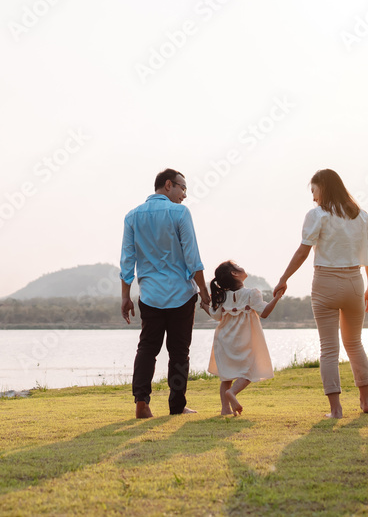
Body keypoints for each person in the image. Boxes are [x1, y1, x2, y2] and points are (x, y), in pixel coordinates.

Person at [273, 169, 368, 419]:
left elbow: (302, 252)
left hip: (325, 283)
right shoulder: (362, 216)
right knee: (354, 344)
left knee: (329, 349)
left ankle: (336, 410)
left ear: (323, 188)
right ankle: (366, 402)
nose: (313, 198)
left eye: (314, 191)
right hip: (355, 282)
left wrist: (284, 278)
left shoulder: (317, 215)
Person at [120, 168, 210, 418]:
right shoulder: (180, 213)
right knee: (179, 352)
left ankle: (141, 401)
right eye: (183, 188)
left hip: (149, 295)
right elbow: (192, 257)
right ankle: (177, 406)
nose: (184, 195)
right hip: (181, 294)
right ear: (168, 185)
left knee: (147, 348)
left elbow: (127, 260)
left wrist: (125, 296)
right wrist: (203, 291)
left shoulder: (132, 216)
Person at [202, 260, 280, 416]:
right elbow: (264, 312)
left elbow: (216, 316)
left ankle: (225, 409)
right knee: (249, 371)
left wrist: (205, 305)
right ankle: (232, 393)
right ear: (234, 273)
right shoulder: (252, 293)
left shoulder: (222, 297)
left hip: (225, 341)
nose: (241, 267)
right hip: (245, 341)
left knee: (226, 376)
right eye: (238, 267)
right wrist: (277, 297)